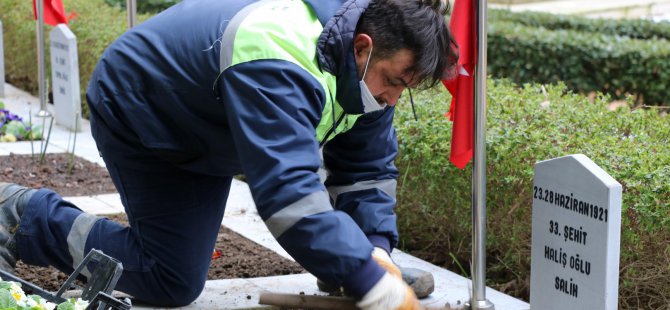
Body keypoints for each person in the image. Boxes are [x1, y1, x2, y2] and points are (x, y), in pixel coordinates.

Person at [0, 0, 456, 308]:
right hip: (145, 109)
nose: (393, 98)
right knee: (170, 280)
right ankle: (24, 218)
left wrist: (375, 254)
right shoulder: (279, 50)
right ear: (362, 48)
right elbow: (289, 198)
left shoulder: (368, 70)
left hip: (209, 124)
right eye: (394, 81)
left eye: (406, 88)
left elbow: (366, 170)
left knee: (357, 259)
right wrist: (369, 282)